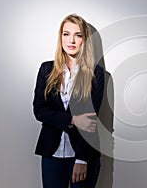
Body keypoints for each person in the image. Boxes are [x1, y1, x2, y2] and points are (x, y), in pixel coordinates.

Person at [33, 14, 104, 188]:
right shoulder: (46, 69)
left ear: (85, 40)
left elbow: (90, 121)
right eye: (66, 34)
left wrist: (82, 159)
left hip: (82, 154)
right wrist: (72, 120)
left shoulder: (96, 74)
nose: (71, 40)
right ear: (60, 37)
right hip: (51, 152)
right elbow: (39, 110)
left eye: (78, 35)